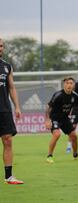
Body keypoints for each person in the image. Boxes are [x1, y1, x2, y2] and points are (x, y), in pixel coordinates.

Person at [45, 76, 78, 163]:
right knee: (57, 134)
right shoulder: (58, 95)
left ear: (73, 85)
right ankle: (49, 156)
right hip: (55, 118)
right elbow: (48, 107)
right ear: (64, 85)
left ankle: (76, 155)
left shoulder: (75, 95)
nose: (69, 85)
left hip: (65, 119)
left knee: (74, 136)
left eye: (71, 83)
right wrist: (47, 120)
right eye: (67, 83)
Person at [0, 38, 24, 184]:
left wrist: (17, 106)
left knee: (8, 141)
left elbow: (12, 88)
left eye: (1, 45)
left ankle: (9, 176)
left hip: (4, 110)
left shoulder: (7, 66)